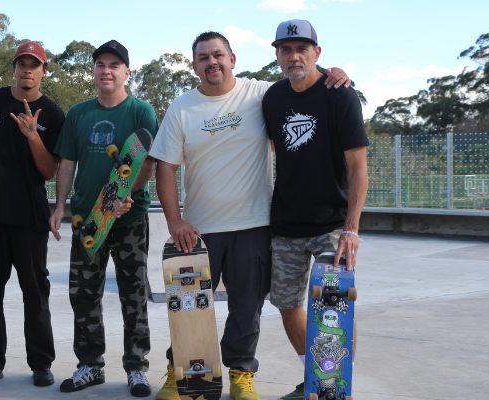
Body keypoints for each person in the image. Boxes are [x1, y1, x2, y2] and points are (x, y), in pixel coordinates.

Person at [150, 31, 349, 400]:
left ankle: (242, 374)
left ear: (232, 59)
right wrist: (174, 220)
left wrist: (333, 73)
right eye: (203, 57)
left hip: (255, 224)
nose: (212, 62)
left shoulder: (261, 94)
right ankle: (181, 375)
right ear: (194, 66)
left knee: (247, 309)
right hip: (199, 229)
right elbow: (166, 167)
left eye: (218, 55)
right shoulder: (182, 107)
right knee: (189, 308)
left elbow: (302, 80)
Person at [261, 19, 368, 400]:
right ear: (278, 55)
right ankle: (316, 379)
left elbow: (358, 166)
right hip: (286, 224)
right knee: (287, 305)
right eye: (286, 50)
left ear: (317, 53)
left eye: (302, 49)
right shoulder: (273, 98)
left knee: (334, 309)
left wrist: (351, 229)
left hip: (331, 225)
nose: (294, 56)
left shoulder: (340, 96)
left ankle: (334, 387)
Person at [49, 39, 158, 398]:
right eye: (100, 65)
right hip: (88, 220)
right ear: (94, 71)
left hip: (129, 220)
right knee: (83, 295)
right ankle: (90, 365)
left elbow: (148, 164)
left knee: (133, 295)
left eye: (114, 65)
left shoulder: (141, 111)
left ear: (126, 72)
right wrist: (60, 206)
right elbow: (67, 163)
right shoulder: (79, 113)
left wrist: (126, 196)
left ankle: (136, 367)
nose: (106, 71)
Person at [0, 40, 64, 389]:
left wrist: (32, 135)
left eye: (34, 65)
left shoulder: (52, 114)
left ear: (44, 71)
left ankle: (41, 363)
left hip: (30, 216)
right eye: (22, 64)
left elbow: (49, 171)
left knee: (35, 290)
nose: (27, 70)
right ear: (14, 68)